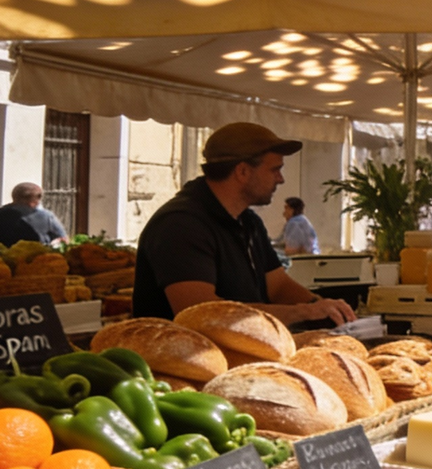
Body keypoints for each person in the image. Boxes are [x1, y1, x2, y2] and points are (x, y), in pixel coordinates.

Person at [133, 123, 356, 326]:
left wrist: (323, 306)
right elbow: (200, 312)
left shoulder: (249, 222)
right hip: (183, 364)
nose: (281, 179)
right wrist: (303, 312)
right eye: (274, 169)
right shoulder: (181, 225)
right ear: (242, 171)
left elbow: (277, 286)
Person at [0, 182, 66, 245]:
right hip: (35, 263)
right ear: (36, 200)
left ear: (14, 197)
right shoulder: (46, 216)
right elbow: (63, 239)